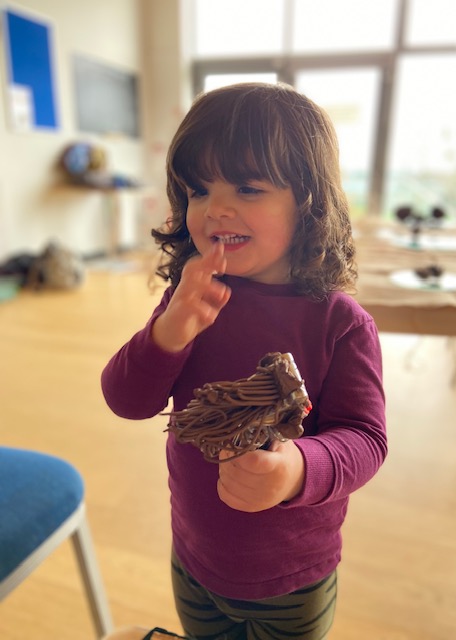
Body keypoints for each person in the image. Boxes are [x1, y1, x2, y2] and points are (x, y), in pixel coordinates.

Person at [101, 82, 387, 640]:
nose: (215, 209)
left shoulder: (340, 323)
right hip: (194, 554)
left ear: (309, 202)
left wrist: (297, 468)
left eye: (249, 187)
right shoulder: (189, 300)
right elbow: (126, 401)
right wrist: (167, 333)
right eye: (198, 190)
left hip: (291, 575)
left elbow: (366, 439)